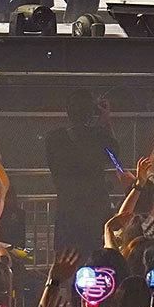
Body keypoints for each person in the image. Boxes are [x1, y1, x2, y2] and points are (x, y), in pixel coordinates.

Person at [44, 90, 118, 255]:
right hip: (96, 209)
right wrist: (105, 121)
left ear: (68, 112)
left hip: (68, 208)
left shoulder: (54, 138)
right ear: (91, 112)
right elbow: (115, 158)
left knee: (66, 257)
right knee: (98, 257)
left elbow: (53, 165)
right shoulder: (99, 137)